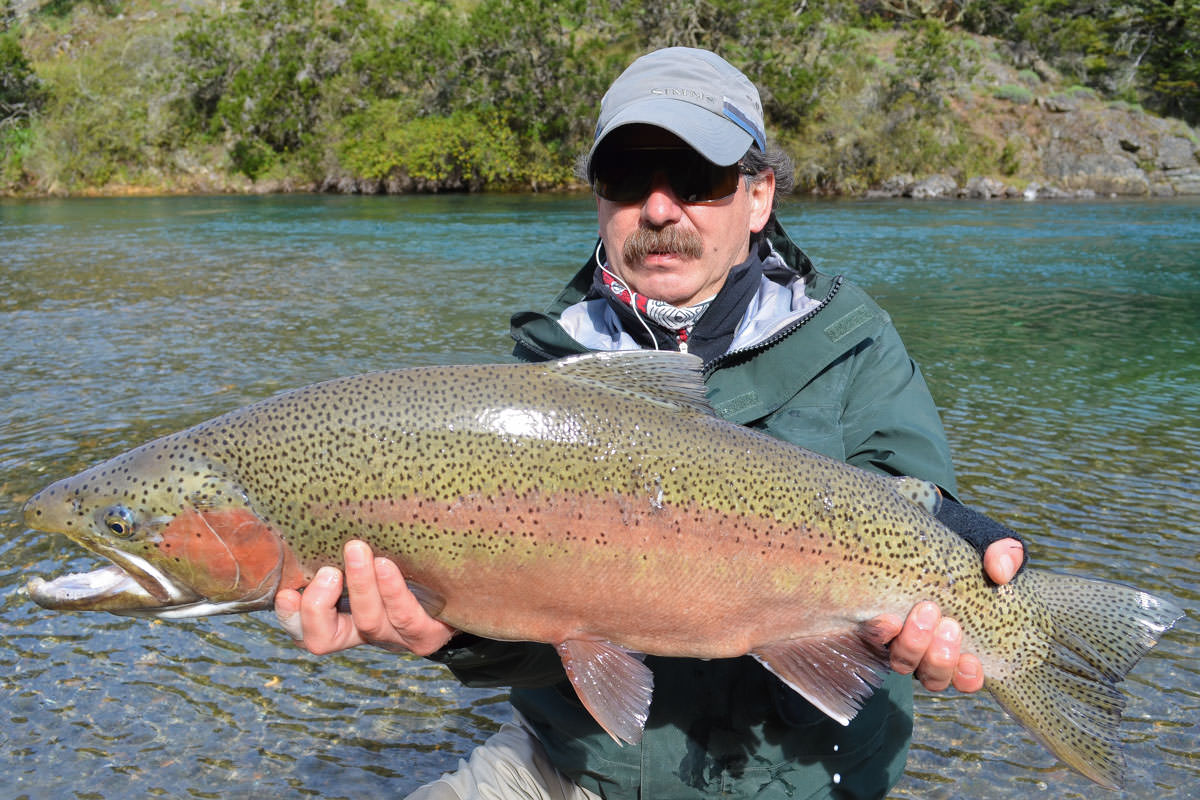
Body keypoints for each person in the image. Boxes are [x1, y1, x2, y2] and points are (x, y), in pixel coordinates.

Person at [275, 47, 1027, 799]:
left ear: (759, 196)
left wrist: (950, 539)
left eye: (696, 179)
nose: (660, 210)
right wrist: (449, 632)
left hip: (805, 776)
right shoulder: (546, 372)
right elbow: (544, 621)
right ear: (601, 200)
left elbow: (908, 495)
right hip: (579, 765)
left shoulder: (853, 341)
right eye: (630, 179)